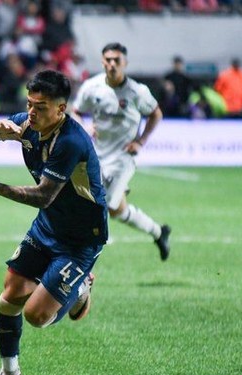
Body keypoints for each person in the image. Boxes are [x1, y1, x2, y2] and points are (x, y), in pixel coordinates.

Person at [0, 70, 108, 375]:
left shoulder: (71, 142)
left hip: (81, 238)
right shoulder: (27, 124)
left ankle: (80, 286)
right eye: (29, 104)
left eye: (40, 107)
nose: (32, 112)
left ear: (61, 109)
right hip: (48, 225)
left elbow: (42, 196)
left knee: (37, 316)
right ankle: (9, 374)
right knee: (9, 295)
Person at [71, 42, 171, 261]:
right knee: (117, 211)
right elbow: (75, 111)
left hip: (123, 157)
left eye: (117, 60)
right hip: (96, 155)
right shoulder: (92, 87)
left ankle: (82, 253)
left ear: (125, 63)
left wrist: (141, 141)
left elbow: (156, 114)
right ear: (102, 62)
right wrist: (84, 126)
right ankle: (158, 232)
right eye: (108, 60)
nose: (112, 64)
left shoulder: (137, 92)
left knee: (103, 204)